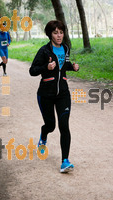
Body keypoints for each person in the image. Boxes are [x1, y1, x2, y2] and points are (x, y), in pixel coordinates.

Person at [29, 20, 79, 173]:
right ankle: (43, 135)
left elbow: (64, 65)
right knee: (51, 126)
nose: (59, 35)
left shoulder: (65, 48)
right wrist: (46, 67)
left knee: (64, 126)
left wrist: (73, 67)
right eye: (55, 32)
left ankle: (65, 161)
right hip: (46, 95)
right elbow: (32, 70)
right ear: (50, 34)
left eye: (61, 32)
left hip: (63, 93)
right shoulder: (44, 51)